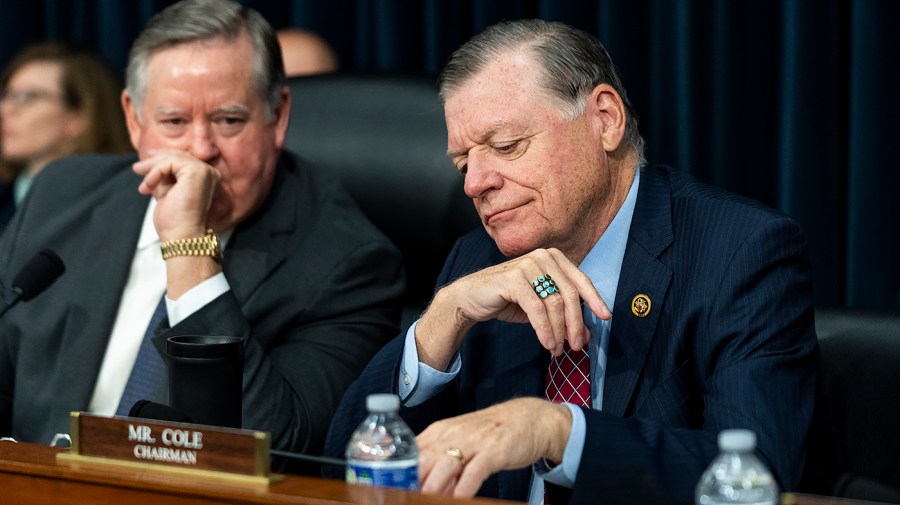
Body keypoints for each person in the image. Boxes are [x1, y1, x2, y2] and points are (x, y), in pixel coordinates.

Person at [324, 19, 820, 504]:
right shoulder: (475, 260)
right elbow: (337, 463)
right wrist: (440, 322)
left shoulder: (739, 251)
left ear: (604, 119)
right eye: (462, 164)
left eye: (505, 146)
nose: (474, 184)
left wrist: (559, 431)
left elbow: (758, 479)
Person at [0, 0, 404, 470]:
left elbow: (280, 450)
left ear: (279, 116)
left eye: (229, 121)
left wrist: (189, 247)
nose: (200, 149)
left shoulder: (347, 262)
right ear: (133, 120)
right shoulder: (63, 196)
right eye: (174, 122)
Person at [0, 42, 131, 233]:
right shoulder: (6, 205)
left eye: (26, 97)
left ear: (79, 116)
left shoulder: (116, 207)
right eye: (5, 96)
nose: (4, 110)